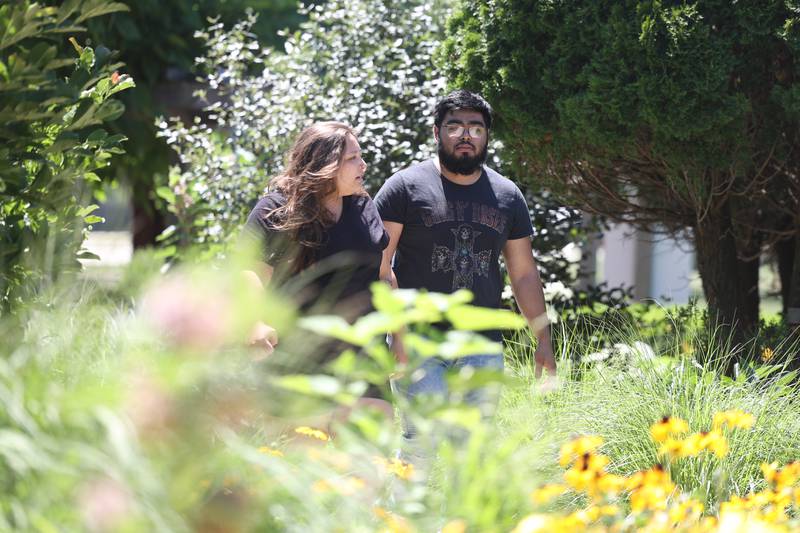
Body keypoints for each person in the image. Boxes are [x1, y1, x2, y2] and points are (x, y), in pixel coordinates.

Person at [374, 90, 556, 419]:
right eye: (454, 127)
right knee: (421, 444)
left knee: (473, 450)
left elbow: (524, 273)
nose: (465, 137)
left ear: (487, 136)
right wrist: (396, 334)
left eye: (475, 129)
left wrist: (542, 336)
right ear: (436, 132)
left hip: (481, 346)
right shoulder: (404, 187)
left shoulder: (507, 196)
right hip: (420, 342)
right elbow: (380, 266)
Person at [241, 121, 390, 402]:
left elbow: (385, 274)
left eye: (360, 155)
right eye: (352, 158)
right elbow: (250, 272)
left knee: (368, 444)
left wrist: (400, 339)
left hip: (363, 358)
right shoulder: (275, 209)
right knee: (306, 444)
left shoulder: (362, 206)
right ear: (325, 163)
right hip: (300, 358)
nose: (364, 165)